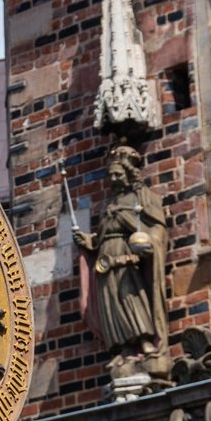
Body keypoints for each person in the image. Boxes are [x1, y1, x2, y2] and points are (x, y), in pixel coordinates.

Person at [72, 145, 170, 378]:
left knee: (133, 299)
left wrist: (146, 240)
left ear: (129, 174)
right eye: (111, 175)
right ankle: (123, 348)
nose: (113, 179)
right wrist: (87, 240)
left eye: (118, 174)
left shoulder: (141, 197)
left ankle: (146, 343)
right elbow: (102, 235)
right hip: (105, 261)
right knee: (112, 305)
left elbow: (156, 228)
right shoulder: (110, 204)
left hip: (127, 259)